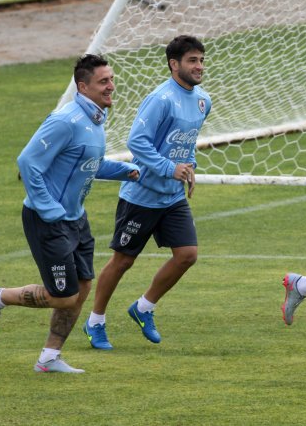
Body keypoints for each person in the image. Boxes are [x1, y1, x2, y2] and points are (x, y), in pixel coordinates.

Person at [0, 54, 140, 373]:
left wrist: (125, 171)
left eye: (111, 79)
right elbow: (27, 162)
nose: (111, 86)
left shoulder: (95, 120)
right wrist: (48, 208)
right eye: (103, 81)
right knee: (64, 296)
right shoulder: (66, 120)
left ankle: (49, 358)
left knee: (81, 289)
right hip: (48, 219)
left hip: (76, 218)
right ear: (83, 86)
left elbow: (88, 165)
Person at [83, 35, 211, 350]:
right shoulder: (160, 99)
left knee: (187, 255)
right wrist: (170, 168)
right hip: (141, 196)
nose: (199, 66)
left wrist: (188, 166)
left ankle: (143, 308)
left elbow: (185, 141)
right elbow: (137, 141)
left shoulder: (203, 100)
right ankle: (95, 321)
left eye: (201, 60)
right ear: (174, 64)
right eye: (192, 60)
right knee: (123, 261)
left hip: (172, 197)